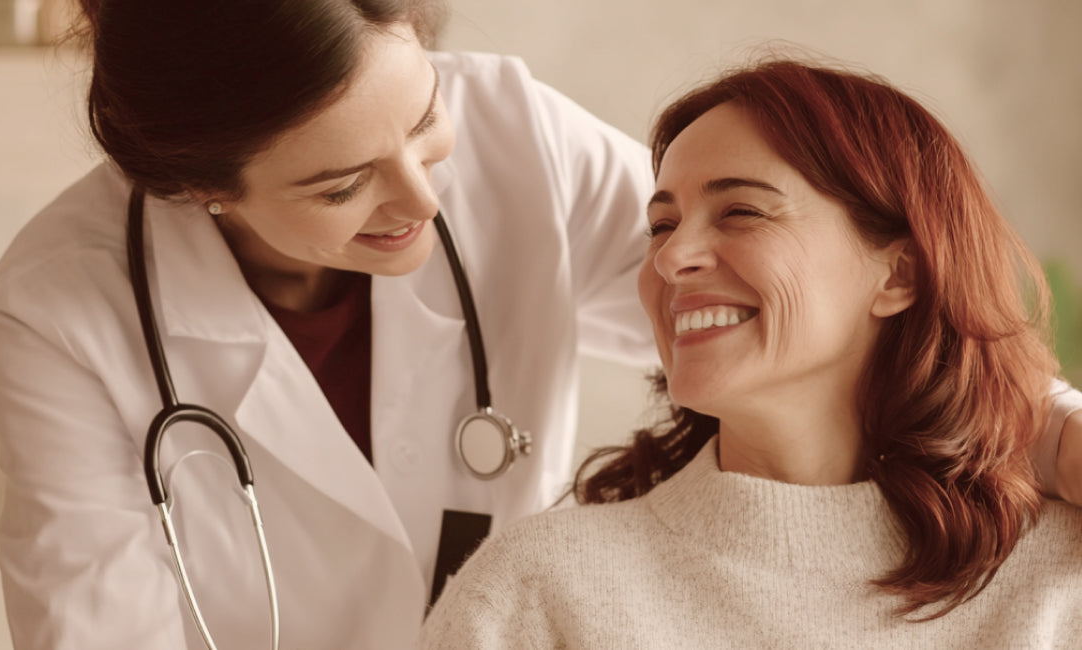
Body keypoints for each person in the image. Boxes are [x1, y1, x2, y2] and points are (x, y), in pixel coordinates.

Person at [0, 1, 658, 648]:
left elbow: (746, 304)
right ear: (204, 188)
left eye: (424, 121)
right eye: (342, 186)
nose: (423, 198)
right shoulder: (54, 310)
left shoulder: (521, 136)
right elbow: (100, 630)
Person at [419, 58, 1082, 648]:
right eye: (661, 226)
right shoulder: (535, 592)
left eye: (741, 212)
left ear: (900, 274)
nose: (671, 257)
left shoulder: (1057, 577)